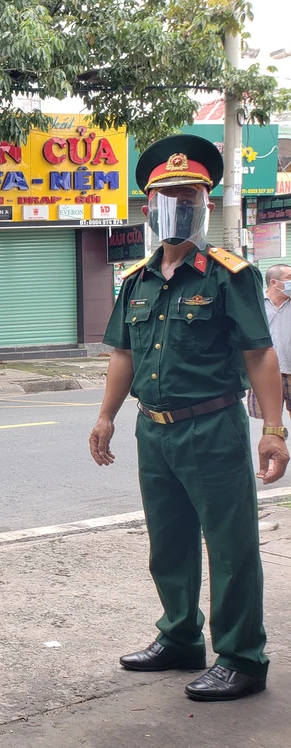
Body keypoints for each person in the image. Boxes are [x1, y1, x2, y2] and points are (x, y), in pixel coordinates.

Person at [89, 134, 289, 701]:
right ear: (148, 207)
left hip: (212, 426)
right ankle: (180, 637)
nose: (177, 206)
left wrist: (274, 430)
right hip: (153, 429)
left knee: (230, 546)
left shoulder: (230, 274)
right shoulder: (137, 280)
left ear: (206, 203)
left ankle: (242, 657)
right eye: (166, 197)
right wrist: (105, 416)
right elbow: (123, 354)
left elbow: (259, 353)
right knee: (169, 542)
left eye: (188, 196)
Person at [247, 263, 291, 419]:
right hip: (264, 372)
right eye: (289, 278)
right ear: (274, 282)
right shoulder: (255, 304)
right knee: (270, 420)